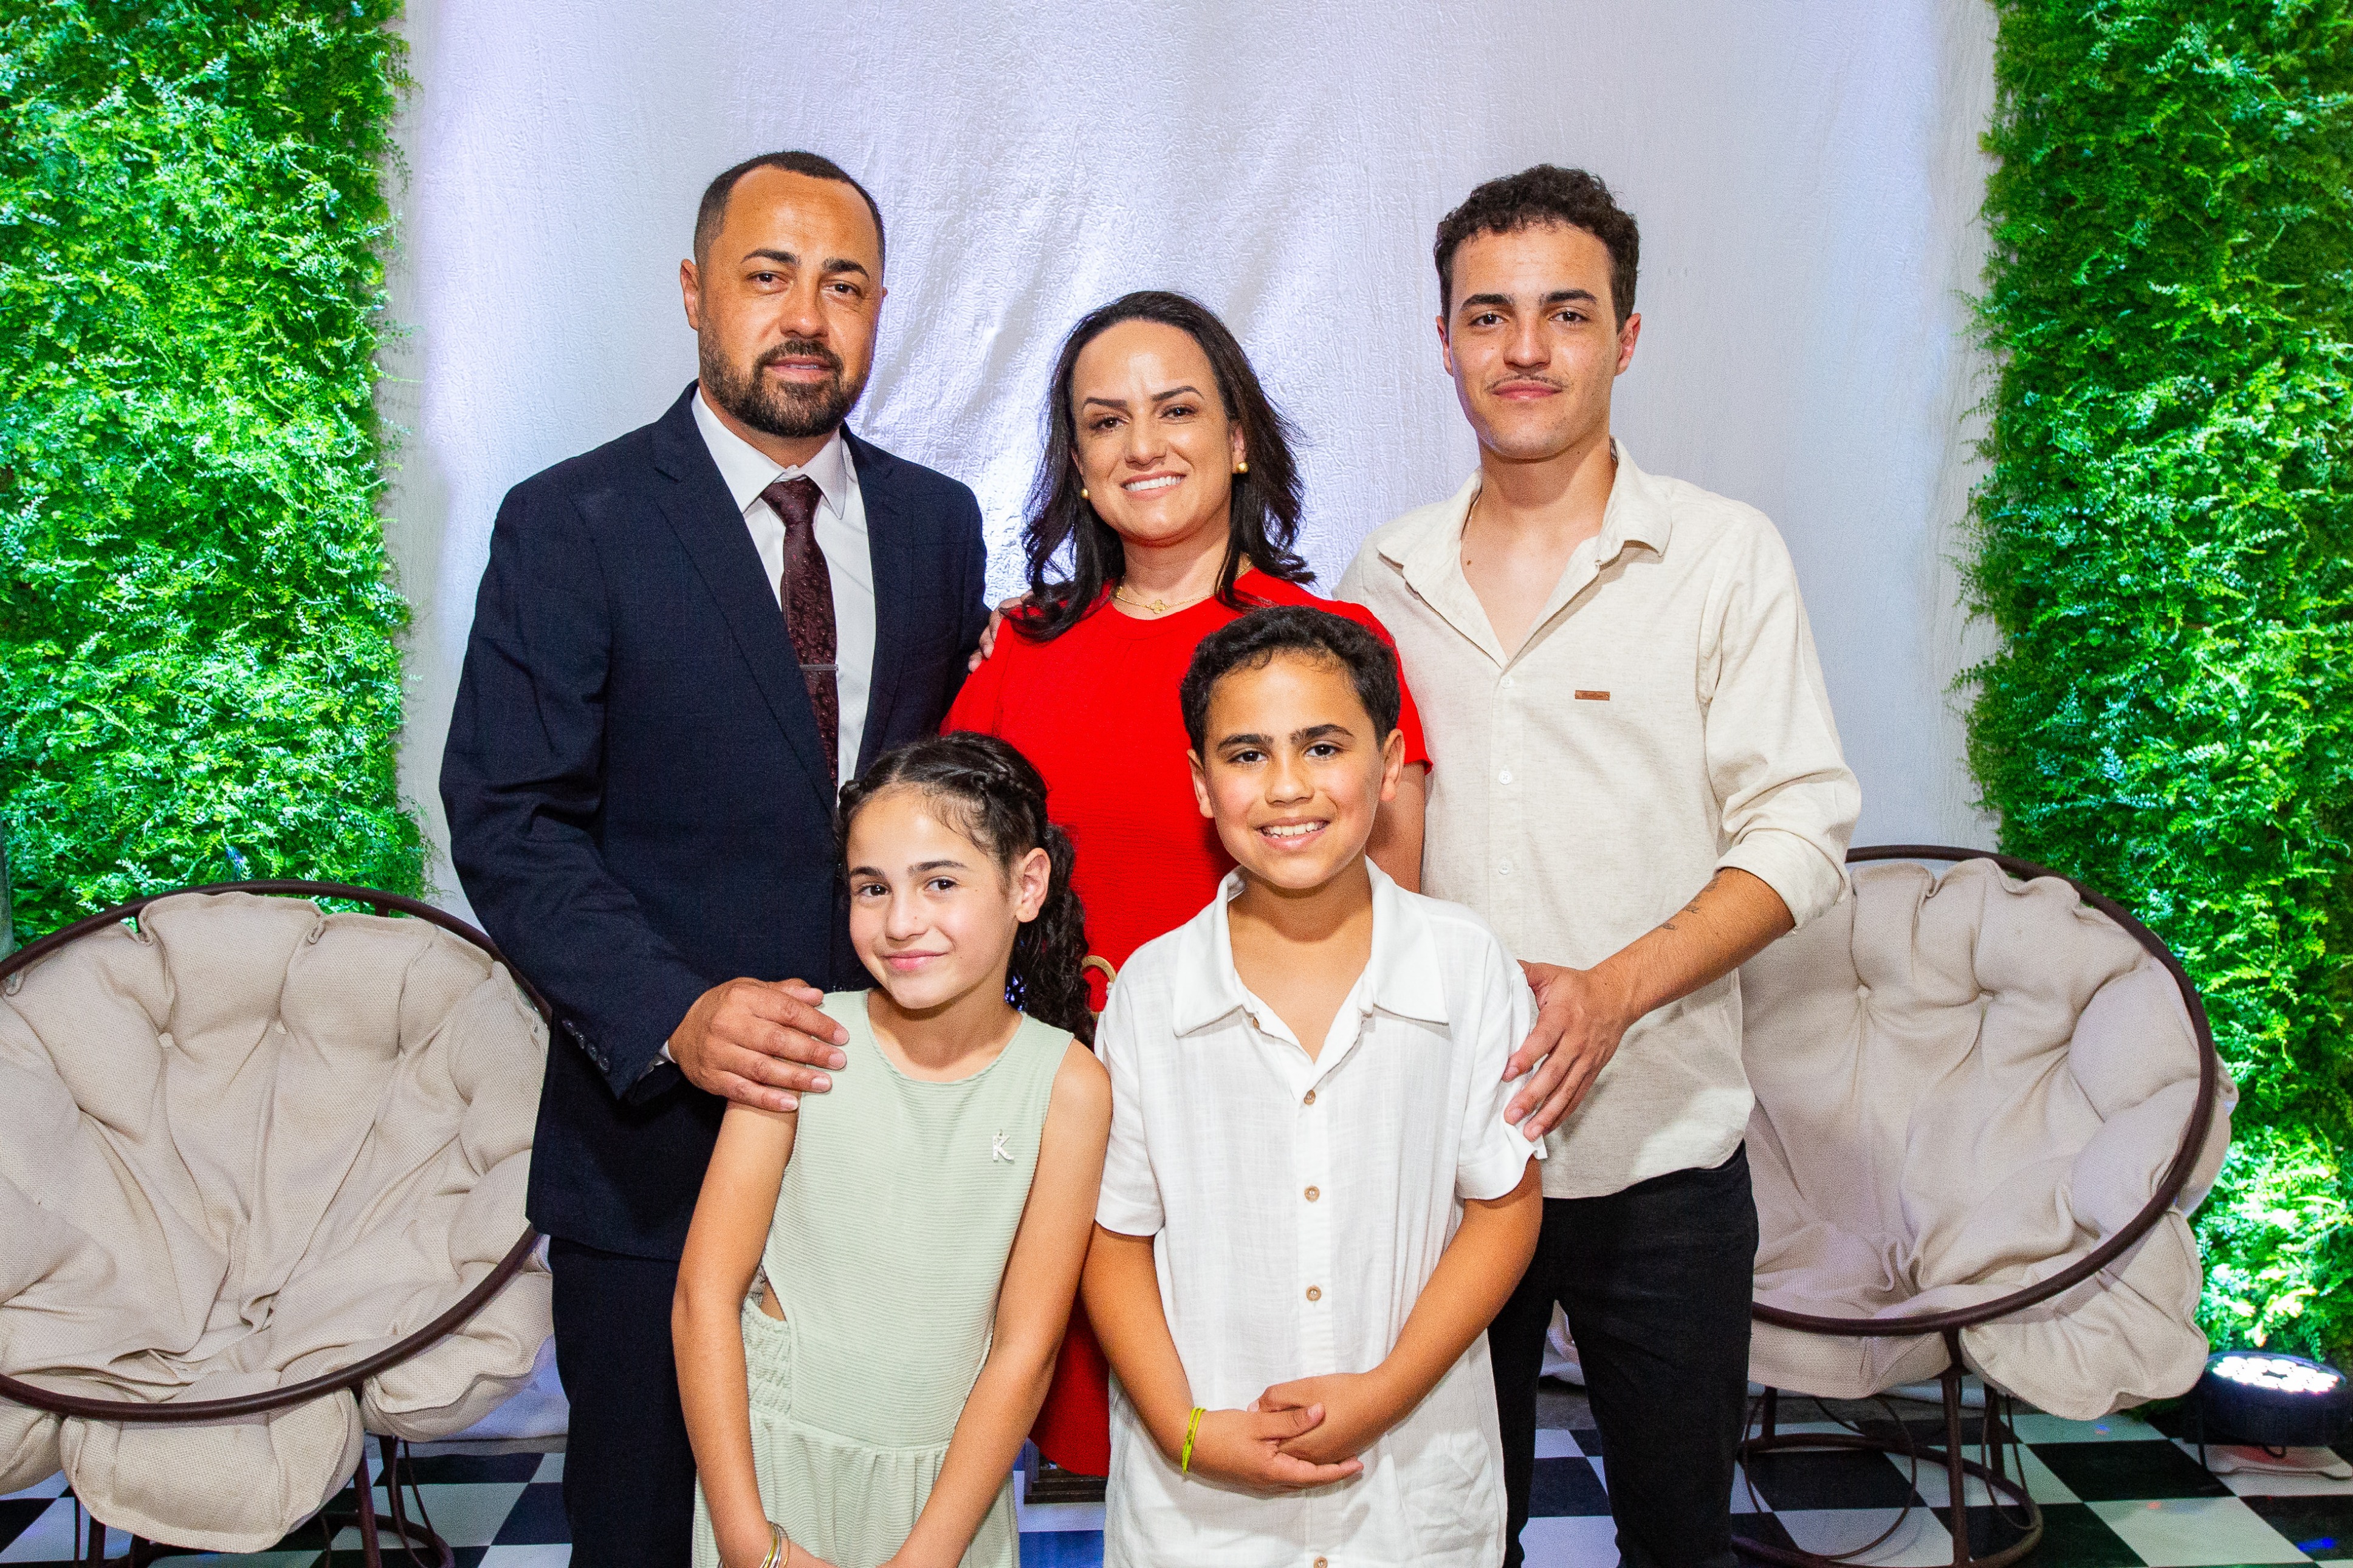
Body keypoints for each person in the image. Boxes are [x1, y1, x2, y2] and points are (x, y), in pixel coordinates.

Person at [440, 151, 990, 1566]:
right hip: (654, 1160)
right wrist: (674, 1013)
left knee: (873, 1519)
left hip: (890, 1148)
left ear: (879, 310)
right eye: (768, 275)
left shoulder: (938, 525)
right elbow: (508, 814)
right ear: (695, 292)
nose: (807, 315)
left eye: (844, 284)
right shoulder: (571, 521)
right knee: (644, 1531)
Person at [1336, 165, 1862, 1568]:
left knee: (1679, 1542)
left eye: (1565, 313)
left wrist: (1613, 991)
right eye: (1488, 316)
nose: (1525, 349)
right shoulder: (1383, 576)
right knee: (1454, 1539)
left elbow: (1801, 829)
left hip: (1662, 1156)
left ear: (1625, 337)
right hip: (1444, 1162)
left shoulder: (1721, 555)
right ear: (1443, 340)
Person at [944, 289, 1434, 1479]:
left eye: (1176, 410)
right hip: (1075, 1142)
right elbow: (949, 895)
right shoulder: (1019, 654)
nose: (1143, 445)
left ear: (1239, 438)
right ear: (1075, 460)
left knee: (1292, 1455)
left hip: (1281, 1141)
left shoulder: (1333, 645)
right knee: (1142, 1479)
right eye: (1104, 421)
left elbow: (1396, 921)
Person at [1084, 606, 1543, 1567]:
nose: (1287, 785)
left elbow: (1503, 1207)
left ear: (1390, 761)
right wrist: (1186, 1429)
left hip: (1409, 1503)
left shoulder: (1466, 966)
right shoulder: (1150, 994)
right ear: (1200, 783)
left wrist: (1382, 1391)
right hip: (1203, 1518)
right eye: (1246, 754)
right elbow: (1113, 1240)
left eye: (1323, 746)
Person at [675, 733, 1110, 1568]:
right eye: (872, 887)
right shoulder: (800, 1043)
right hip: (772, 1475)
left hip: (948, 1502)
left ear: (1027, 884)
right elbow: (704, 1297)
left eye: (939, 882)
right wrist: (748, 1540)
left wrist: (927, 1556)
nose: (901, 922)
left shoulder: (1068, 1086)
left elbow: (1026, 1350)